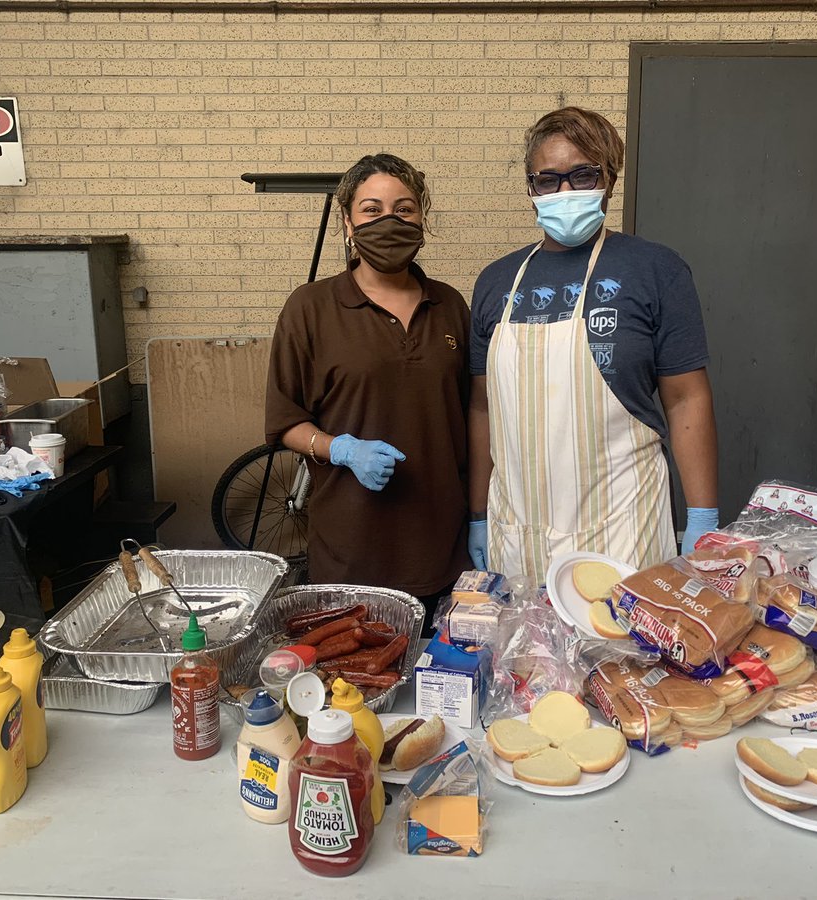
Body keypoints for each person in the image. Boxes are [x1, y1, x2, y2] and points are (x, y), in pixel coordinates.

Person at [467, 107, 719, 581]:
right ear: (531, 188)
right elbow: (483, 409)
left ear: (609, 179)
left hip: (623, 526)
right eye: (548, 180)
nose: (565, 191)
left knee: (619, 652)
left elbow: (687, 398)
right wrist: (478, 513)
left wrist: (702, 515)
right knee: (528, 653)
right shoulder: (495, 282)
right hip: (518, 529)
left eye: (583, 175)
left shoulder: (655, 270)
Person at [265, 153, 470, 625]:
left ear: (422, 218)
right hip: (350, 546)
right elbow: (284, 421)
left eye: (404, 209)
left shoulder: (451, 305)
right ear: (347, 222)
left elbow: (472, 414)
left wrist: (478, 516)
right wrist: (340, 448)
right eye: (372, 210)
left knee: (437, 686)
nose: (389, 221)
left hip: (441, 544)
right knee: (350, 684)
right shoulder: (311, 307)